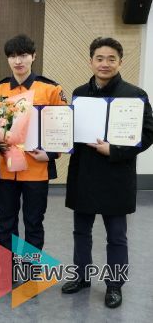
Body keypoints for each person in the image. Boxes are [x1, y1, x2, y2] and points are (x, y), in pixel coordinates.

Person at [61, 37, 153, 308]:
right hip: (84, 174)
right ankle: (82, 276)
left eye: (111, 59)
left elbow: (148, 134)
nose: (105, 64)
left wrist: (114, 150)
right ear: (90, 61)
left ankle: (114, 285)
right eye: (99, 58)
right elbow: (72, 131)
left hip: (116, 175)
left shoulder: (135, 94)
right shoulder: (80, 93)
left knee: (116, 235)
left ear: (120, 62)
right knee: (81, 231)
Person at [0, 35, 66, 260]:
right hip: (6, 169)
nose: (18, 61)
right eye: (12, 56)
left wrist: (51, 154)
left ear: (33, 56)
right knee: (6, 223)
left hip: (36, 169)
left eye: (23, 55)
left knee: (33, 223)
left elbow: (63, 126)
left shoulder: (51, 89)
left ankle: (30, 270)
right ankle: (6, 270)